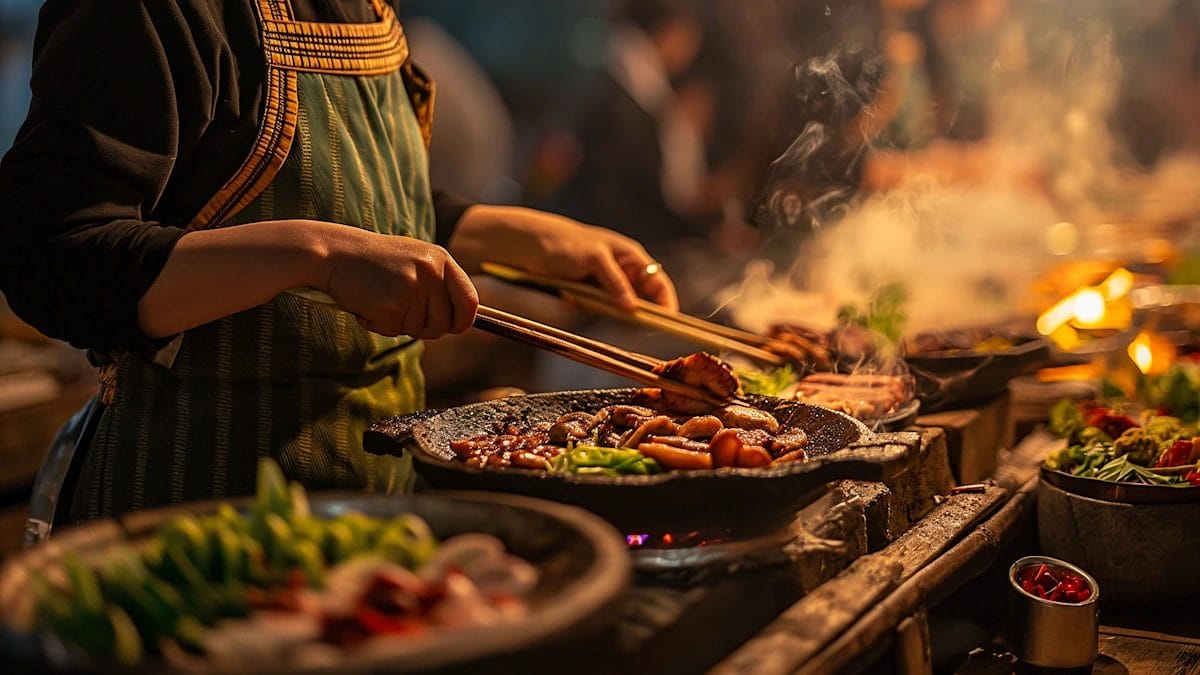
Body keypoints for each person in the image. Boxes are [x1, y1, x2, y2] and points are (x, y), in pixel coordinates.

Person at [0, 0, 677, 521]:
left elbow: (341, 202)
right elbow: (53, 253)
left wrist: (506, 233)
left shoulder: (367, 9)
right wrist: (317, 256)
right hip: (202, 521)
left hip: (373, 513)